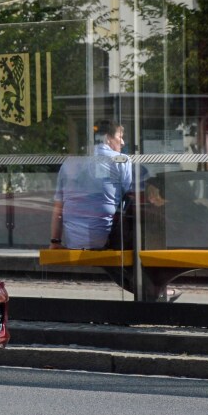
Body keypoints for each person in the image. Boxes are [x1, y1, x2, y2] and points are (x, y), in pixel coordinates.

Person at [50, 119, 147, 296]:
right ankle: (149, 290)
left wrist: (55, 242)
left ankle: (147, 290)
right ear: (107, 138)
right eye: (120, 136)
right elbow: (127, 191)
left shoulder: (70, 163)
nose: (123, 142)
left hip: (74, 241)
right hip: (103, 238)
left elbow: (58, 207)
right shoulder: (121, 160)